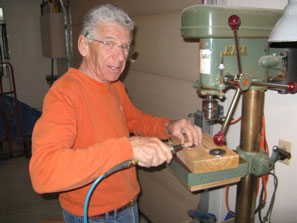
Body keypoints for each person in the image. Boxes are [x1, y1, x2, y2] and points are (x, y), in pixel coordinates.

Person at [29, 4, 202, 223]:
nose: (120, 57)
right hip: (91, 216)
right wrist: (128, 148)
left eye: (125, 47)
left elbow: (134, 120)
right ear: (84, 45)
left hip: (129, 208)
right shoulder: (64, 94)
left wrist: (168, 126)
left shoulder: (114, 86)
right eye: (109, 44)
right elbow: (44, 172)